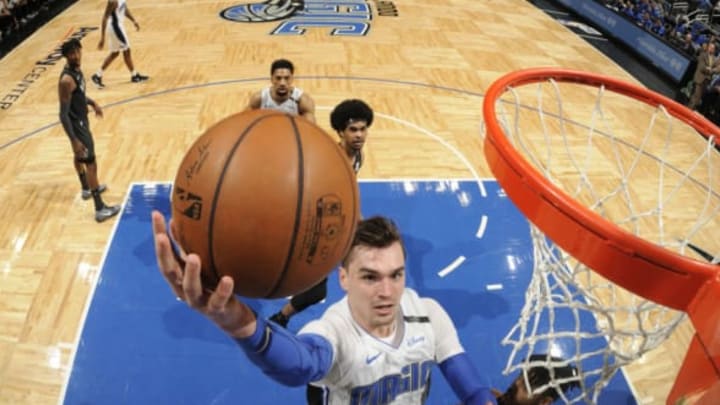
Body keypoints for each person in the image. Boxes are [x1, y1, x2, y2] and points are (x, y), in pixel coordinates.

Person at [153, 212, 497, 405]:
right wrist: (238, 322)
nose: (387, 292)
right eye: (370, 277)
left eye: (396, 275)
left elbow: (471, 388)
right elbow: (299, 365)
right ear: (344, 278)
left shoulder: (428, 314)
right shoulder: (333, 331)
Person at [268, 99, 373, 329]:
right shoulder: (330, 159)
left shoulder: (357, 157)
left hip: (332, 220)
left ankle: (281, 318)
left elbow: (348, 194)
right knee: (315, 287)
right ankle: (279, 316)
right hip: (308, 220)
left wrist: (359, 220)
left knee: (359, 266)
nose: (359, 135)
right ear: (340, 132)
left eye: (363, 129)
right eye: (352, 130)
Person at [58, 39, 121, 223]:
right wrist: (74, 140)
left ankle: (86, 188)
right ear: (66, 56)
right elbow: (63, 115)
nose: (76, 56)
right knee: (91, 163)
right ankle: (100, 208)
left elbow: (79, 95)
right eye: (71, 54)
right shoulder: (66, 80)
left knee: (80, 157)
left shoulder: (77, 71)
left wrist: (92, 103)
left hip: (82, 121)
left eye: (77, 51)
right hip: (78, 126)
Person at [91, 0, 149, 89]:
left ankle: (97, 75)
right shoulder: (112, 1)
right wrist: (102, 37)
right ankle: (134, 76)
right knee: (127, 50)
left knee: (115, 53)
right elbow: (105, 17)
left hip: (119, 27)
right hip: (115, 28)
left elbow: (124, 9)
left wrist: (134, 20)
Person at [246, 58, 316, 123]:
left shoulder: (303, 101)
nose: (282, 83)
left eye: (286, 78)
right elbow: (243, 122)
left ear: (292, 78)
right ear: (272, 79)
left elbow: (311, 129)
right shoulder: (259, 99)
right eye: (278, 78)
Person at [494, 354, 580, 405]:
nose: (516, 383)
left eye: (526, 386)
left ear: (544, 402)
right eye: (520, 376)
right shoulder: (494, 397)